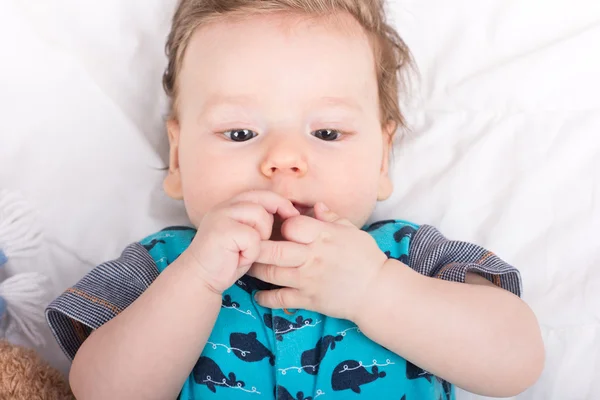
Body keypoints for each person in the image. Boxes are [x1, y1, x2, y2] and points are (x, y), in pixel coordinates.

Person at [46, 1, 545, 399]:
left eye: (326, 132)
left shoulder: (410, 256)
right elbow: (97, 390)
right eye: (239, 132)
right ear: (177, 159)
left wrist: (375, 288)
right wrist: (195, 279)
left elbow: (517, 360)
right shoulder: (158, 269)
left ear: (381, 161)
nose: (283, 159)